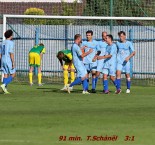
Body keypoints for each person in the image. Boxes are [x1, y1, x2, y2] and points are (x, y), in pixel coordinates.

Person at [0, 29, 16, 94]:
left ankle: (5, 90)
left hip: (3, 59)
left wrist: (1, 61)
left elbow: (0, 53)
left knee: (5, 74)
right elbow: (11, 53)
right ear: (11, 35)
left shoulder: (2, 42)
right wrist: (13, 63)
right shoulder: (11, 43)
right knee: (13, 74)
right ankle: (4, 85)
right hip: (8, 59)